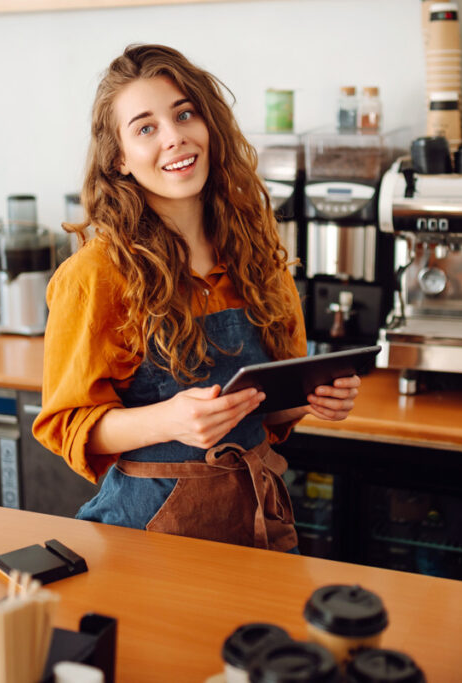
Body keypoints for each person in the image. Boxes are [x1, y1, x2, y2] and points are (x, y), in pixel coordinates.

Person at [33, 44, 361, 552]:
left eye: (184, 113)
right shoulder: (96, 275)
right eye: (145, 127)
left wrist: (308, 401)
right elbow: (68, 426)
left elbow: (265, 412)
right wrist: (169, 419)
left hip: (259, 523)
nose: (174, 136)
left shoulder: (258, 256)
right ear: (118, 158)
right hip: (147, 538)